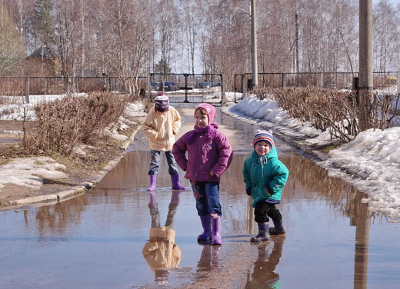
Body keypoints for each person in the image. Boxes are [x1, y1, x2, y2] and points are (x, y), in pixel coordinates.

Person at [172, 103, 233, 245]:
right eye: (197, 117)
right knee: (201, 204)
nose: (200, 120)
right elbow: (176, 149)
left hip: (211, 178)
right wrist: (186, 166)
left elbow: (227, 153)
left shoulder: (216, 136)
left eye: (203, 117)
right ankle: (206, 231)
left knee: (213, 203)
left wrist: (218, 169)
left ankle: (216, 233)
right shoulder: (190, 136)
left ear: (210, 117)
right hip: (195, 179)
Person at [243, 130, 289, 242]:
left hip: (270, 193)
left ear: (270, 147)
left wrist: (271, 188)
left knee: (260, 211)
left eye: (266, 145)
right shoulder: (249, 161)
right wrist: (248, 186)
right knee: (271, 211)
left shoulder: (273, 162)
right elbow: (246, 174)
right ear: (254, 145)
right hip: (258, 192)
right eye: (259, 144)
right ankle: (279, 228)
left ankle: (263, 234)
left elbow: (284, 173)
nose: (262, 147)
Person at [142, 92, 186, 191]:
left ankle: (176, 184)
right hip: (156, 143)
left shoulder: (172, 110)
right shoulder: (152, 113)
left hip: (170, 143)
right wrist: (155, 135)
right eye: (160, 110)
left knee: (173, 163)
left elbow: (177, 120)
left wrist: (174, 130)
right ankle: (152, 185)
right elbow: (145, 127)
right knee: (154, 163)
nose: (162, 112)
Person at [142, 191, 182, 284]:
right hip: (169, 236)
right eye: (164, 275)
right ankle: (175, 197)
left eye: (160, 275)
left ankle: (152, 198)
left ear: (156, 274)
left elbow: (145, 252)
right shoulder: (172, 265)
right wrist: (174, 247)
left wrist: (156, 244)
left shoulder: (153, 264)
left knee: (155, 216)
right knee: (172, 215)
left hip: (156, 235)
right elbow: (178, 255)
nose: (163, 273)